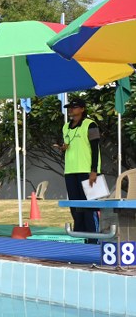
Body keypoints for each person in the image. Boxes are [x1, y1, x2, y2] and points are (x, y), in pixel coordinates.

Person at [59, 97, 101, 237]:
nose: (71, 110)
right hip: (70, 171)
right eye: (69, 107)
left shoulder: (91, 125)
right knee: (76, 208)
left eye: (74, 107)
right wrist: (63, 148)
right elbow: (69, 145)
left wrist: (94, 171)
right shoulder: (66, 126)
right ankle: (80, 237)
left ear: (82, 109)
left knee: (90, 207)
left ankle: (94, 239)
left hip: (88, 172)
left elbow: (95, 149)